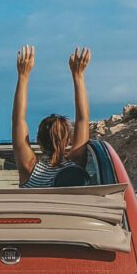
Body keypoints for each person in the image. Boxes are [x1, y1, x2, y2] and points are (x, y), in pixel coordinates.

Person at [11, 45, 92, 187]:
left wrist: (23, 76)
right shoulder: (76, 165)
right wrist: (78, 75)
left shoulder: (29, 167)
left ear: (39, 141)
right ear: (68, 141)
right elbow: (82, 119)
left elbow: (18, 120)